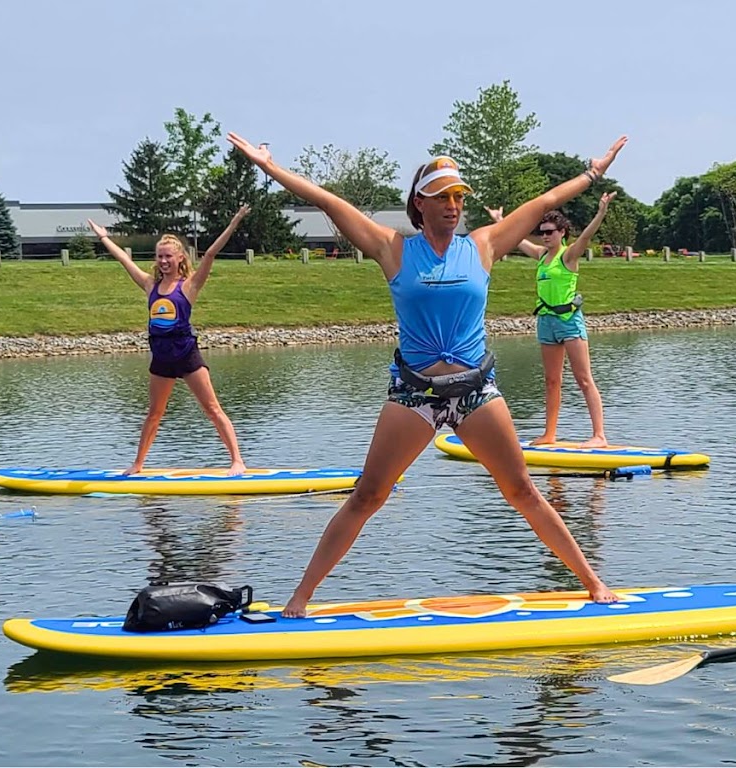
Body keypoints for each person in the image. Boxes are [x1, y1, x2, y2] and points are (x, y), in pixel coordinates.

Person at [227, 131, 627, 616]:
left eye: (459, 197)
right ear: (420, 203)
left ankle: (592, 581)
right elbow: (327, 201)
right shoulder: (393, 248)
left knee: (521, 488)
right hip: (415, 395)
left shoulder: (483, 245)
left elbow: (543, 200)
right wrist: (270, 167)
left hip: (476, 391)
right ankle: (301, 597)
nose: (454, 205)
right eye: (443, 197)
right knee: (368, 494)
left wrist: (592, 174)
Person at [87, 206, 251, 476]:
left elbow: (210, 253)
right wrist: (104, 238)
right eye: (159, 256)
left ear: (179, 259)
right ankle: (138, 465)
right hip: (161, 358)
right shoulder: (150, 285)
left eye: (168, 256)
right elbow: (124, 261)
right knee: (154, 413)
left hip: (187, 354)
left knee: (212, 409)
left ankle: (237, 461)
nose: (163, 261)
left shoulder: (189, 285)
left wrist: (234, 222)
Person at [485, 193, 616, 447]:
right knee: (551, 380)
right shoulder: (540, 255)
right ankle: (549, 434)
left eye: (550, 232)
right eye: (542, 232)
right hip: (546, 322)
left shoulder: (568, 256)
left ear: (562, 233)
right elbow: (515, 238)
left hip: (568, 321)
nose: (545, 236)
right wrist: (501, 221)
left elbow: (587, 236)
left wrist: (600, 212)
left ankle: (599, 435)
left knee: (583, 378)